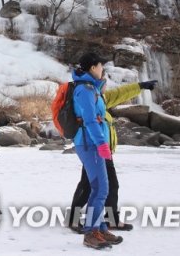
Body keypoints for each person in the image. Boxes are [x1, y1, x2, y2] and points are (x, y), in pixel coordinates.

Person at [68, 78, 158, 233]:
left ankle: (110, 220)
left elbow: (120, 93)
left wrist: (140, 86)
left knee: (104, 185)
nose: (107, 87)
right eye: (105, 84)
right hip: (94, 149)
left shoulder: (102, 99)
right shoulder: (92, 97)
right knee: (88, 185)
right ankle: (77, 220)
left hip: (104, 152)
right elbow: (89, 122)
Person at [71, 53, 122, 249]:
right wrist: (102, 144)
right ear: (93, 67)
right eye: (101, 66)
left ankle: (98, 227)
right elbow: (91, 120)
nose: (103, 70)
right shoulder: (84, 90)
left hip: (93, 143)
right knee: (101, 189)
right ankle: (91, 233)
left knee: (99, 188)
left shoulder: (93, 88)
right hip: (89, 144)